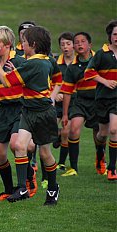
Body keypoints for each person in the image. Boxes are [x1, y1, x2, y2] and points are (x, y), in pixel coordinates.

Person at [0, 26, 60, 206]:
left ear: (32, 44)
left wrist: (52, 98)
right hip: (27, 111)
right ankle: (21, 187)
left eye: (24, 42)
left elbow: (7, 81)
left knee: (45, 153)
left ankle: (53, 187)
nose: (21, 45)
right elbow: (57, 78)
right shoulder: (36, 61)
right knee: (19, 145)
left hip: (42, 113)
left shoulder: (35, 63)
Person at [0, 26, 36, 201]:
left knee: (16, 144)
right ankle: (9, 189)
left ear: (8, 45)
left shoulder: (18, 62)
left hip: (21, 108)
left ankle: (23, 186)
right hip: (4, 111)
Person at [60, 32, 106, 177]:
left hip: (98, 101)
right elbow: (67, 91)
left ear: (89, 45)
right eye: (77, 42)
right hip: (80, 101)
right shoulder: (72, 67)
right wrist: (65, 114)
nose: (79, 44)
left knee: (99, 135)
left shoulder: (99, 60)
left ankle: (100, 157)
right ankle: (73, 168)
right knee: (73, 128)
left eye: (83, 41)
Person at [84, 20, 117, 180]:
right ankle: (99, 153)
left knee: (114, 130)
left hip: (116, 100)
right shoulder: (101, 54)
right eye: (115, 34)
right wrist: (105, 81)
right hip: (103, 98)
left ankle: (112, 168)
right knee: (102, 134)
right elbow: (88, 72)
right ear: (110, 36)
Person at [54, 32, 75, 172]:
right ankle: (57, 136)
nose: (65, 47)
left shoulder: (79, 63)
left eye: (68, 44)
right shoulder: (56, 63)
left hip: (73, 103)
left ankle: (61, 163)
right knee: (50, 129)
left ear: (73, 45)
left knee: (66, 131)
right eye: (62, 44)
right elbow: (51, 81)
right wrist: (55, 95)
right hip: (57, 103)